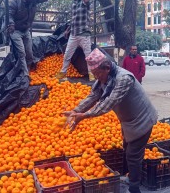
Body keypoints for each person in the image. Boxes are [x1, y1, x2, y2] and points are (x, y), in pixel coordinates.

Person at [64, 48, 157, 193]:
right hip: (128, 122)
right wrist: (76, 111)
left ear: (107, 68)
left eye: (97, 74)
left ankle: (134, 187)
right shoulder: (104, 78)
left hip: (142, 120)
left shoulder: (124, 78)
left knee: (133, 154)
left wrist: (85, 116)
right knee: (127, 149)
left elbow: (109, 103)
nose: (96, 78)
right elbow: (93, 96)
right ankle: (131, 177)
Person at [7, 0, 49, 76]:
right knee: (22, 52)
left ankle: (29, 71)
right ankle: (25, 75)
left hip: (26, 30)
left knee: (29, 53)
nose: (34, 2)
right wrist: (11, 24)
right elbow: (9, 15)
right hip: (15, 30)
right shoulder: (14, 1)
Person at [56, 0, 94, 81]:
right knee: (67, 54)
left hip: (84, 34)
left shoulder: (84, 1)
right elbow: (73, 20)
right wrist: (67, 30)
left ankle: (91, 74)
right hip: (73, 34)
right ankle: (63, 73)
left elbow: (87, 1)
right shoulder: (73, 4)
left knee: (88, 56)